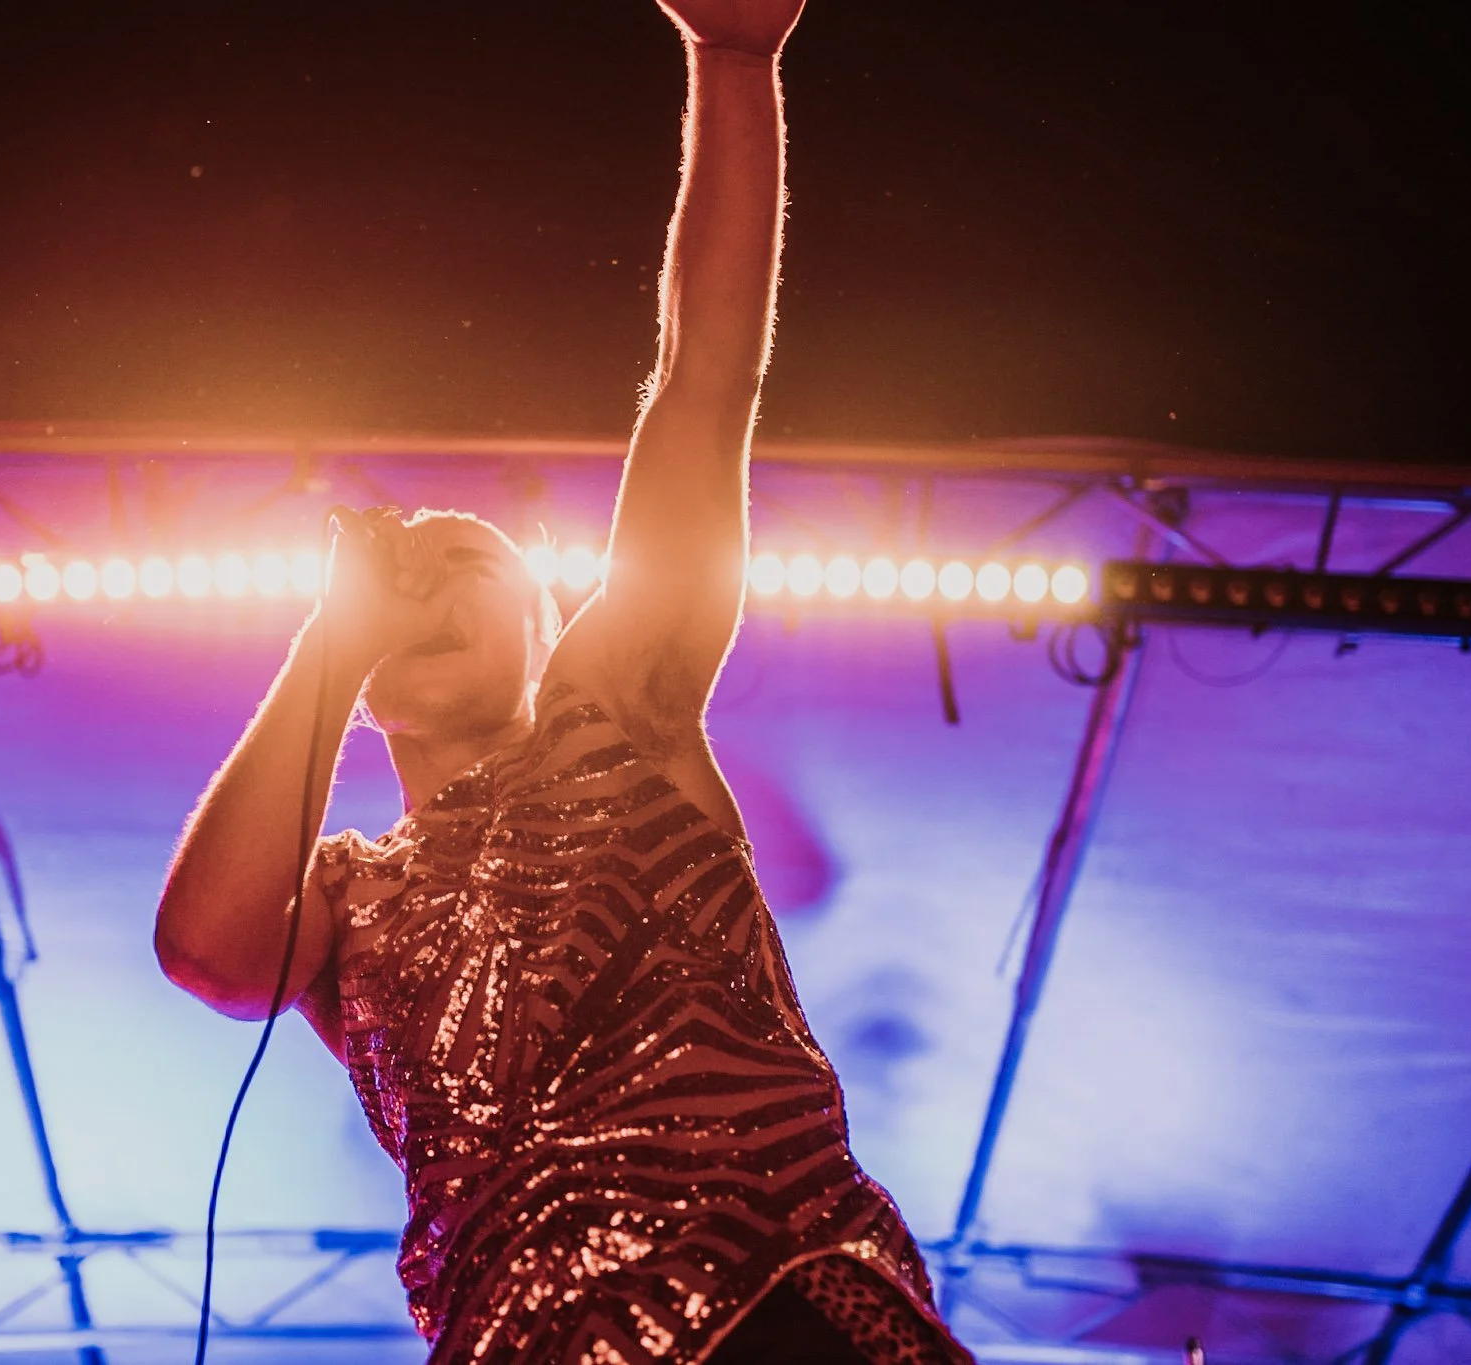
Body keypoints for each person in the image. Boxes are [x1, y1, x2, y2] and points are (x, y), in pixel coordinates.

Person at [154, 3, 975, 1361]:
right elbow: (208, 953)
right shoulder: (347, 901)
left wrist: (733, 63)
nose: (423, 575)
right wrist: (331, 636)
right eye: (401, 572)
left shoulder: (623, 713)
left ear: (553, 626)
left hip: (779, 1306)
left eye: (464, 560)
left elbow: (703, 384)